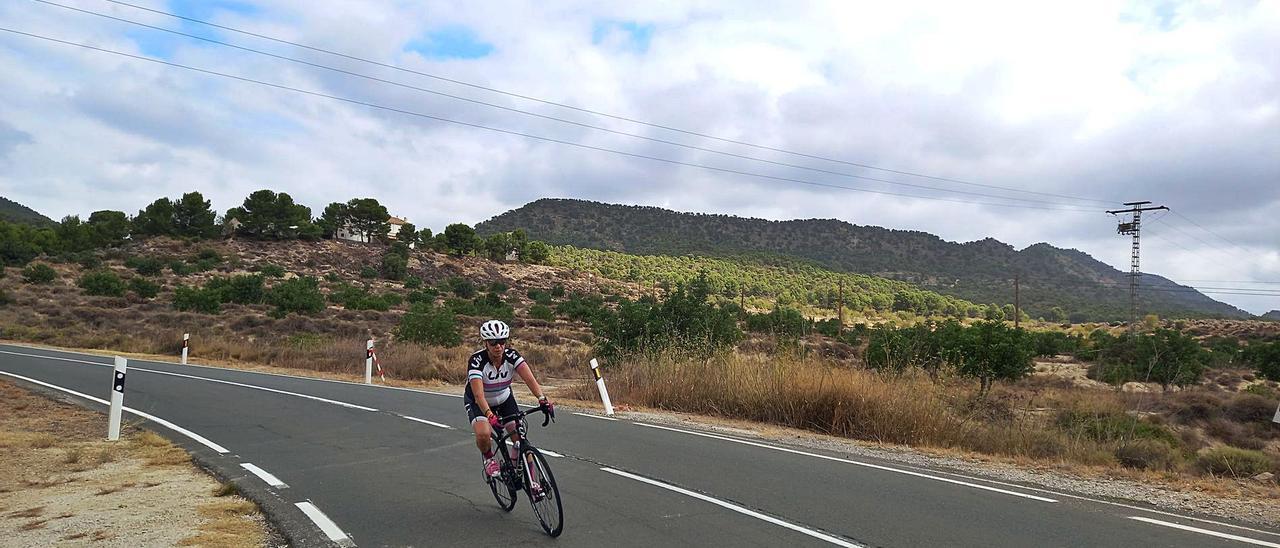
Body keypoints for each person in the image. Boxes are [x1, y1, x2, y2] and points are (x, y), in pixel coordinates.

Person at [464, 319, 555, 495]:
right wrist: (489, 415)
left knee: (520, 439)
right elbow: (478, 395)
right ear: (486, 344)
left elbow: (529, 379)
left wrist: (542, 399)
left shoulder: (512, 356)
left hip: (504, 399)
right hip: (479, 402)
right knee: (484, 433)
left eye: (502, 342)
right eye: (493, 343)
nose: (498, 346)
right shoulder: (476, 361)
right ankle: (489, 459)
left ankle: (532, 483)